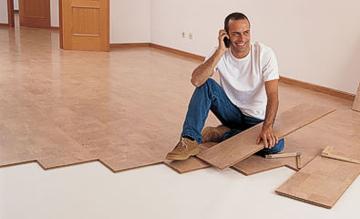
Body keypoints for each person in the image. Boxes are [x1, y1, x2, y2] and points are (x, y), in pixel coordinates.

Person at [166, 12, 284, 161]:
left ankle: (221, 134)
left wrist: (267, 127)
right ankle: (189, 140)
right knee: (206, 84)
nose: (242, 39)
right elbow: (196, 81)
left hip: (256, 119)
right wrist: (220, 51)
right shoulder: (219, 52)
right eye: (236, 34)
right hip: (231, 113)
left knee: (276, 145)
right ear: (226, 35)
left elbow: (273, 95)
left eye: (246, 32)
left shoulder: (265, 54)